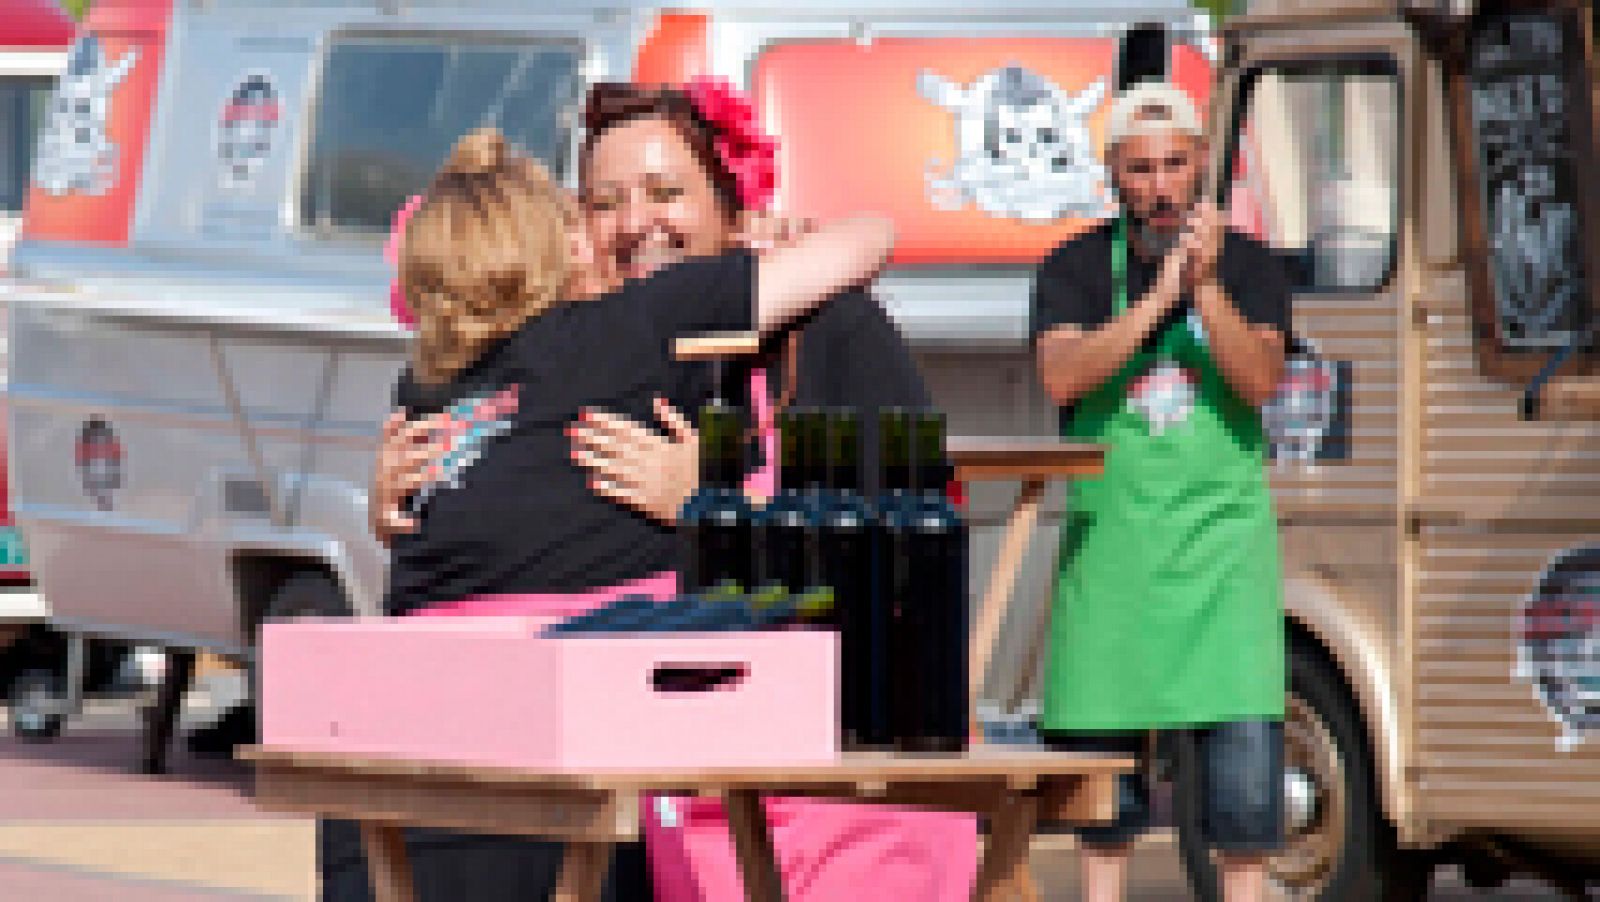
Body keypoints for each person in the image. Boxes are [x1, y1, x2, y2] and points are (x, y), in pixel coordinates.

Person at [319, 127, 894, 902]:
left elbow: (443, 530)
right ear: (556, 249)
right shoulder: (630, 325)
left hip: (415, 749)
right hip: (582, 743)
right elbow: (870, 241)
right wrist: (767, 247)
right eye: (588, 213)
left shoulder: (424, 389)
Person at [1030, 82, 1291, 902]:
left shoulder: (1251, 266)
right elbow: (1063, 373)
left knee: (1244, 810)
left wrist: (1206, 289)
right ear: (1113, 174)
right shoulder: (1072, 268)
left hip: (1221, 567)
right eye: (1140, 169)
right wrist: (1157, 303)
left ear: (1202, 164)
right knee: (1103, 813)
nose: (1160, 186)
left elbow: (1257, 381)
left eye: (1175, 165)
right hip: (1114, 563)